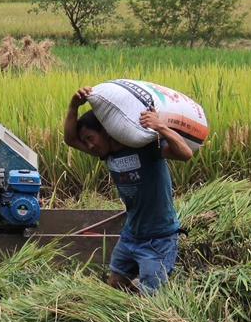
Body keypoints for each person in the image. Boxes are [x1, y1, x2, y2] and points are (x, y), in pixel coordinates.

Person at [63, 86, 193, 294]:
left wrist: (160, 127)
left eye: (90, 137)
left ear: (106, 130)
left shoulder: (144, 146)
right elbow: (70, 139)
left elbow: (185, 153)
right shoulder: (106, 153)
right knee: (115, 282)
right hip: (131, 234)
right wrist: (73, 106)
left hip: (158, 237)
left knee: (153, 296)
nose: (89, 146)